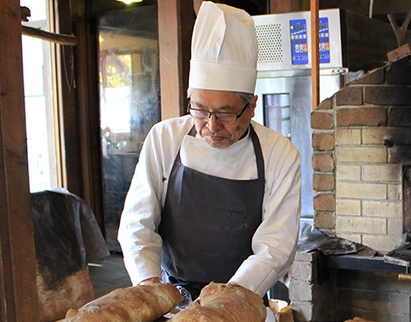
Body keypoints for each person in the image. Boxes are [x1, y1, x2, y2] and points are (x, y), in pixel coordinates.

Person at [118, 1, 302, 302]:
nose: (211, 126)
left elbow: (275, 247)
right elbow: (137, 224)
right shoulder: (164, 139)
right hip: (169, 298)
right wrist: (149, 288)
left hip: (242, 301)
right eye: (200, 110)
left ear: (252, 106)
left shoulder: (279, 154)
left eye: (226, 114)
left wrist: (224, 302)